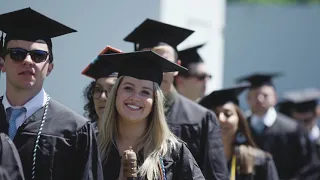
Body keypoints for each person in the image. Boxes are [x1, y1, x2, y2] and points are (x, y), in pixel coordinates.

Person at [0, 8, 103, 180]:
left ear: (49, 68)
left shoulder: (75, 129)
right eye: (17, 54)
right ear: (2, 64)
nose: (27, 61)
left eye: (38, 56)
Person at [124, 18, 228, 180]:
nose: (156, 69)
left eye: (163, 61)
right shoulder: (120, 112)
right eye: (148, 61)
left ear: (177, 66)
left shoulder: (200, 119)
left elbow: (216, 175)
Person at [95, 50, 205, 179]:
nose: (135, 97)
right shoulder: (92, 145)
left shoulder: (173, 153)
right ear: (116, 93)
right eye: (128, 88)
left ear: (155, 101)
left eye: (145, 92)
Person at [235, 72, 311, 179]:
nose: (260, 99)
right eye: (255, 95)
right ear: (248, 99)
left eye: (265, 95)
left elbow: (306, 166)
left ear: (275, 98)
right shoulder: (240, 128)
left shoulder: (293, 129)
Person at [199, 84, 279, 180]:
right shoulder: (198, 161)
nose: (220, 119)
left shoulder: (260, 162)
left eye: (227, 114)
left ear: (239, 121)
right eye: (214, 114)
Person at [82, 45, 121, 132]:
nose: (102, 97)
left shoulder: (140, 140)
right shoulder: (82, 137)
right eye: (98, 90)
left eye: (111, 89)